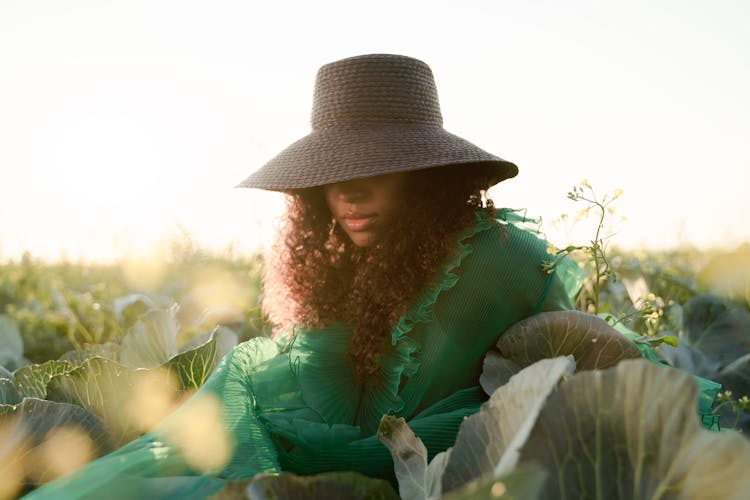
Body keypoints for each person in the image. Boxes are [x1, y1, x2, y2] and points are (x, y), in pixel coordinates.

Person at [25, 54, 608, 499]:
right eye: (333, 173)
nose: (349, 192)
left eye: (378, 168)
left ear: (427, 175)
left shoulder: (506, 259)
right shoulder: (334, 269)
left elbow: (576, 374)